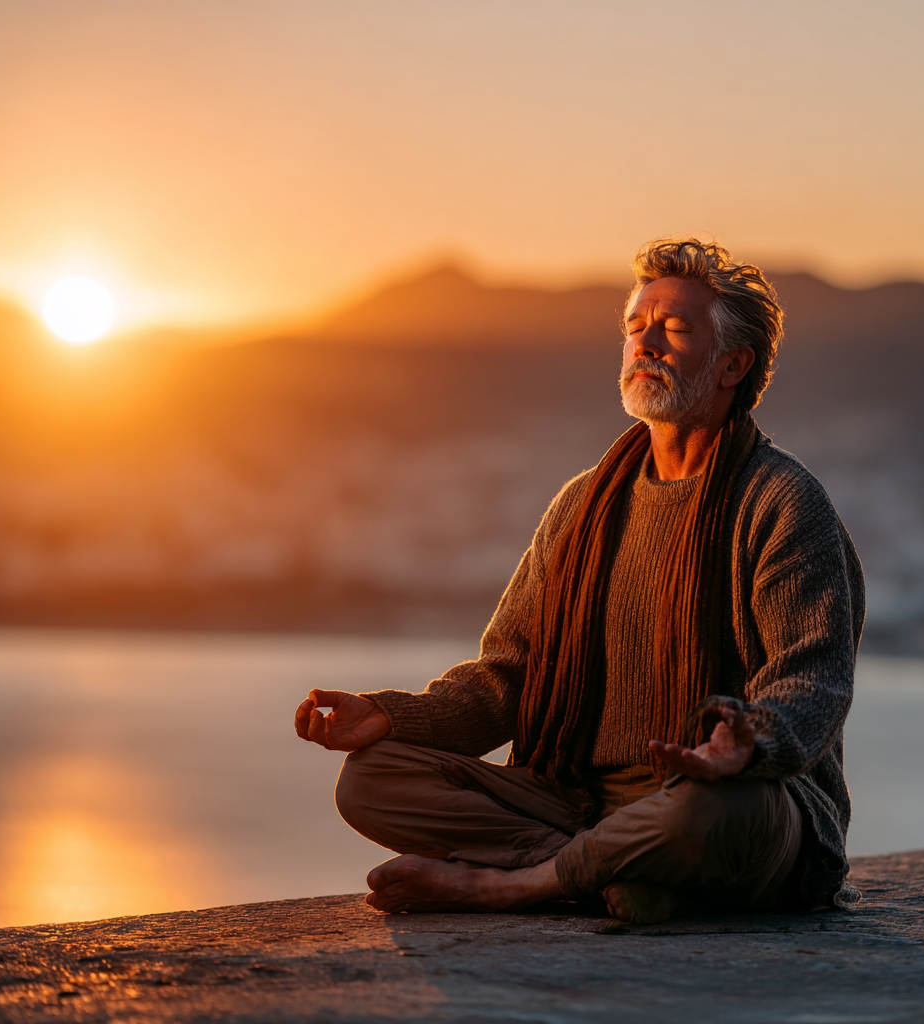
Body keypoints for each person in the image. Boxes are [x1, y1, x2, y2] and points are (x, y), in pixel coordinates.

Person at [295, 238, 865, 923]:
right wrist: (392, 716)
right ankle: (618, 877)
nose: (645, 343)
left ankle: (512, 885)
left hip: (719, 795)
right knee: (372, 780)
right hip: (571, 797)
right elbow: (507, 677)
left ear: (732, 366)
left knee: (716, 812)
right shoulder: (582, 505)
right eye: (635, 328)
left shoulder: (781, 502)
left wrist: (747, 743)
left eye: (675, 330)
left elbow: (815, 680)